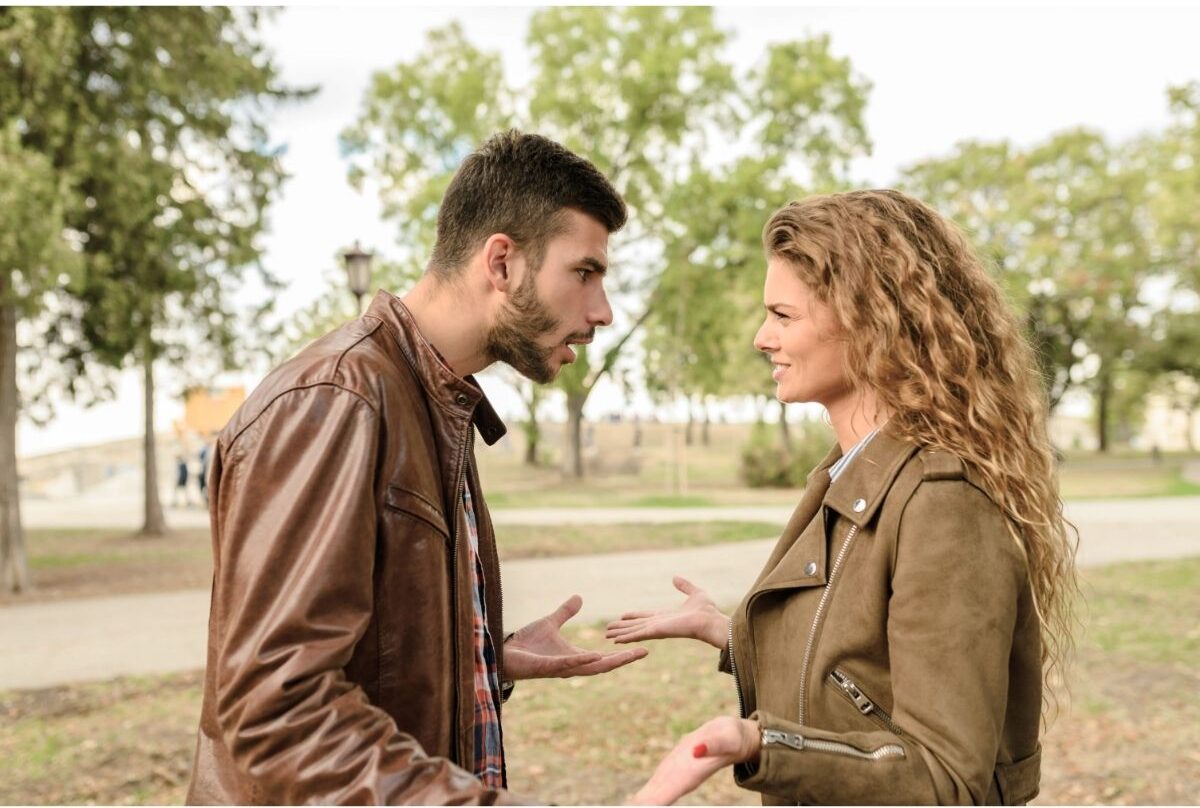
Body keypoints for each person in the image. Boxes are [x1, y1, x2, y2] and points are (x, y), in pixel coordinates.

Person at [185, 130, 647, 805]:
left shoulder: (435, 402)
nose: (602, 312)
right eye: (585, 272)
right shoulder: (337, 401)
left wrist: (485, 658)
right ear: (502, 263)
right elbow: (275, 713)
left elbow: (366, 659)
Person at [612, 190, 1078, 805]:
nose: (760, 338)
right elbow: (858, 672)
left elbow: (945, 779)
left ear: (869, 321)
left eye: (783, 316)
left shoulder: (944, 501)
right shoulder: (850, 473)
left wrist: (757, 745)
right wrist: (732, 634)